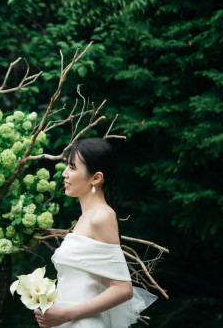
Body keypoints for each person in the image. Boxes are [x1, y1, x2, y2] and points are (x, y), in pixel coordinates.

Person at [35, 138, 156, 328]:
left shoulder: (101, 217)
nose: (65, 174)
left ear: (96, 178)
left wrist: (66, 314)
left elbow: (123, 289)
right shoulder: (85, 218)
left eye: (73, 167)